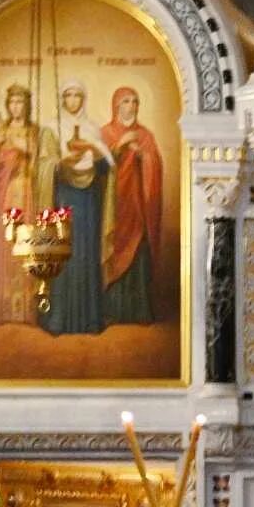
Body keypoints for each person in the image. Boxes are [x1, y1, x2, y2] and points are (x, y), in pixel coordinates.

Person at [0, 84, 55, 326]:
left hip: (29, 193)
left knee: (27, 246)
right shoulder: (1, 132)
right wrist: (0, 147)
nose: (16, 107)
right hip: (8, 195)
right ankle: (5, 310)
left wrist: (26, 153)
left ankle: (27, 310)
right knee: (6, 246)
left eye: (21, 102)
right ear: (8, 105)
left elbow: (44, 161)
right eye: (13, 102)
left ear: (27, 105)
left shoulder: (35, 131)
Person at [98, 86, 164, 327]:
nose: (132, 106)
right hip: (113, 207)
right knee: (113, 250)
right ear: (116, 106)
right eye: (126, 101)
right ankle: (112, 310)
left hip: (137, 206)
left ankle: (139, 310)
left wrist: (144, 157)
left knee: (138, 254)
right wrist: (119, 147)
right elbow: (98, 169)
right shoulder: (105, 133)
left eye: (135, 102)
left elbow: (155, 165)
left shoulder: (145, 135)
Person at [45, 84, 107, 336]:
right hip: (64, 196)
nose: (72, 100)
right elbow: (43, 165)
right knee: (64, 251)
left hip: (88, 199)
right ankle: (59, 319)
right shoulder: (51, 127)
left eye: (77, 95)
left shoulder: (93, 129)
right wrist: (61, 164)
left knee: (87, 253)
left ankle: (90, 319)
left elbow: (105, 168)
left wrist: (93, 154)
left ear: (84, 98)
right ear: (62, 99)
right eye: (68, 95)